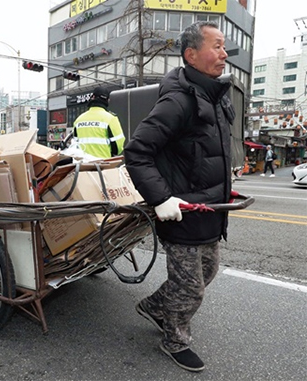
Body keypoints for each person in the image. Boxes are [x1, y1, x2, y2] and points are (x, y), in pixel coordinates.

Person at [124, 21, 234, 372]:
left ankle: (155, 307)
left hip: (210, 209)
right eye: (216, 46)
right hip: (182, 211)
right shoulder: (179, 99)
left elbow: (210, 151)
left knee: (208, 271)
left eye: (224, 46)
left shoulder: (215, 95)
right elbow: (137, 151)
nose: (224, 53)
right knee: (191, 290)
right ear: (191, 54)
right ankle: (174, 339)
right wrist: (160, 199)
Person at [73, 85, 125, 159]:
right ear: (108, 100)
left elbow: (75, 145)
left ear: (92, 97)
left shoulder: (79, 120)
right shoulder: (111, 118)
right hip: (103, 165)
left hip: (82, 165)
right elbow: (118, 146)